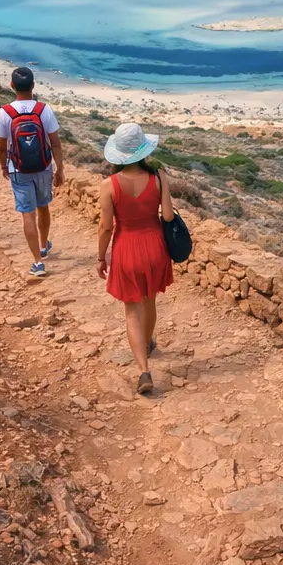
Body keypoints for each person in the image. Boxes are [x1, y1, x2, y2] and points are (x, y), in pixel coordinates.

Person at [96, 122, 175, 394]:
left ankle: (143, 370)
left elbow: (106, 227)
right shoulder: (159, 177)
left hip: (126, 248)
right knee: (149, 300)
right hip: (155, 247)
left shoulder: (109, 185)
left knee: (131, 311)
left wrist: (100, 257)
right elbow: (167, 216)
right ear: (144, 151)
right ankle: (148, 343)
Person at [0, 66, 65, 277]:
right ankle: (44, 245)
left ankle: (37, 262)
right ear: (33, 85)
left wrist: (2, 166)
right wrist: (59, 168)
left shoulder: (5, 112)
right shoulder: (44, 110)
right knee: (43, 207)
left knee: (28, 214)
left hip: (17, 168)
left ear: (12, 86)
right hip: (43, 166)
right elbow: (55, 143)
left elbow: (0, 146)